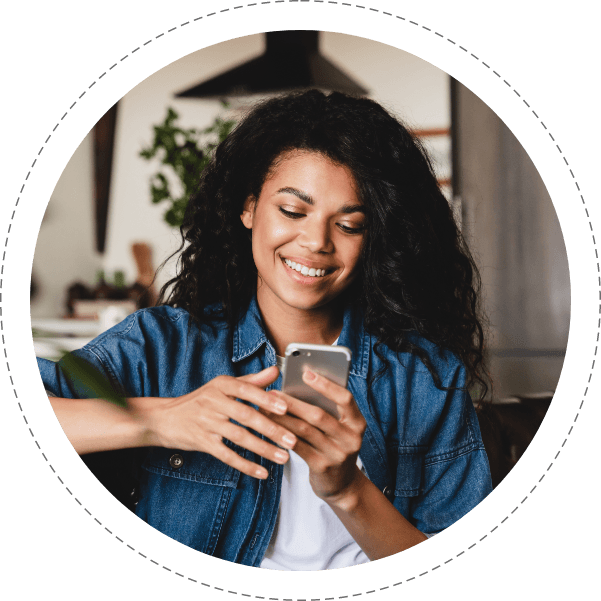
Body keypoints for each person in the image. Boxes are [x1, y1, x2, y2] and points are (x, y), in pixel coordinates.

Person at [38, 90, 493, 570]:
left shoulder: (423, 378)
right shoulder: (163, 349)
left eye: (350, 224)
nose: (316, 242)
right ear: (249, 207)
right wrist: (160, 418)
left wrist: (349, 491)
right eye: (293, 212)